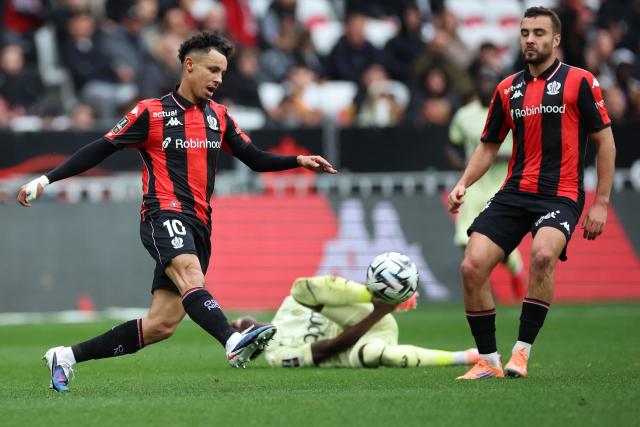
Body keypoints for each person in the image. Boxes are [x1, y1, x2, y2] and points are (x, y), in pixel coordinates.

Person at [17, 31, 337, 392]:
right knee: (189, 272)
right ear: (189, 65)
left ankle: (65, 357)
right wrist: (46, 179)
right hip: (163, 213)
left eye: (223, 72)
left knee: (161, 325)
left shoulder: (219, 117)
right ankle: (232, 341)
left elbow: (255, 159)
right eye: (212, 69)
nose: (218, 78)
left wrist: (297, 160)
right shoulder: (151, 112)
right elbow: (100, 148)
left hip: (200, 223)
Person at [447, 7, 615, 380]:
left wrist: (601, 202)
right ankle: (488, 361)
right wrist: (463, 184)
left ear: (555, 40)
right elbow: (488, 146)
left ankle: (520, 354)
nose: (530, 39)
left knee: (541, 256)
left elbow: (605, 142)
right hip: (515, 192)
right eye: (525, 33)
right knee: (471, 267)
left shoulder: (581, 82)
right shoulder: (508, 88)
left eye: (539, 33)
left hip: (562, 194)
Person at [233, 276, 480, 368]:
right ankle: (466, 356)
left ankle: (381, 291)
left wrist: (377, 304)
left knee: (300, 288)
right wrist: (381, 313)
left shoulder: (290, 304)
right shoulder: (277, 357)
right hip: (357, 347)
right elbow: (330, 348)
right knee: (381, 355)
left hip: (365, 316)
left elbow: (334, 293)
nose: (250, 329)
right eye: (245, 331)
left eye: (245, 326)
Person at [446, 66, 527, 302]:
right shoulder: (464, 115)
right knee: (464, 237)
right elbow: (451, 144)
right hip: (474, 185)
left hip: (503, 184)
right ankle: (481, 282)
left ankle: (515, 270)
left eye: (490, 80)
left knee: (500, 241)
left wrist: (497, 156)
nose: (485, 85)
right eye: (481, 79)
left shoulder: (512, 111)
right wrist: (461, 164)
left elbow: (526, 145)